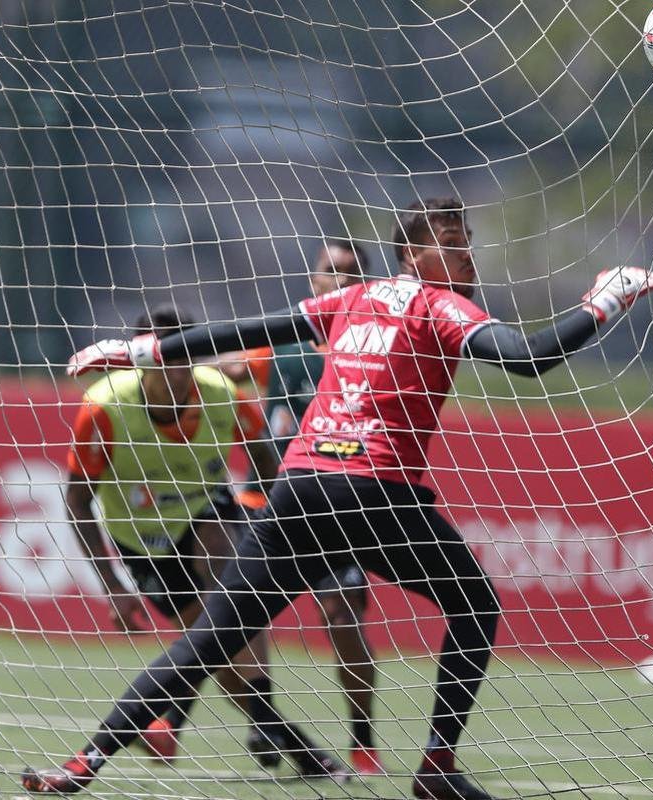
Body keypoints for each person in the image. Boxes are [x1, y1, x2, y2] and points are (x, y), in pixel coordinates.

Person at [25, 197, 653, 800]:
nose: (467, 255)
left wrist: (141, 350)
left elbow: (248, 328)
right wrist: (606, 299)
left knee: (212, 639)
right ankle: (436, 766)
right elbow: (531, 357)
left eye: (468, 241)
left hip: (302, 490)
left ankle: (82, 766)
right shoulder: (441, 306)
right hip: (373, 491)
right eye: (450, 242)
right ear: (412, 256)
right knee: (474, 605)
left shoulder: (353, 298)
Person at [64, 305, 346, 778]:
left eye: (184, 360)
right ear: (140, 361)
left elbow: (268, 461)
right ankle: (275, 733)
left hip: (209, 512)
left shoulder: (224, 396)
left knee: (230, 583)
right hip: (141, 540)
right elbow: (76, 502)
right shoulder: (102, 408)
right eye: (163, 361)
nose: (174, 373)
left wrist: (262, 511)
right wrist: (112, 585)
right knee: (213, 649)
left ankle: (210, 726)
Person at [233, 238, 385, 776]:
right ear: (312, 281)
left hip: (334, 510)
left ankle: (362, 739)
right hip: (265, 503)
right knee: (241, 621)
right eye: (330, 272)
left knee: (343, 618)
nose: (339, 282)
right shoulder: (282, 345)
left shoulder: (372, 351)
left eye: (350, 274)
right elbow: (226, 368)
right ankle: (264, 721)